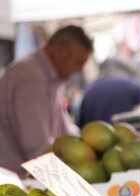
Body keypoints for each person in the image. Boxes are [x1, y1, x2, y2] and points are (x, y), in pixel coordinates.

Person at [0, 25, 92, 176]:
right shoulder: (30, 78)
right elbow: (36, 147)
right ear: (61, 52)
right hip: (14, 183)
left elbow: (65, 132)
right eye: (79, 62)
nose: (79, 71)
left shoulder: (51, 80)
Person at [78, 57, 140, 126]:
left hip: (96, 136)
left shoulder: (89, 90)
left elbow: (82, 124)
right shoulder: (135, 84)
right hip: (129, 136)